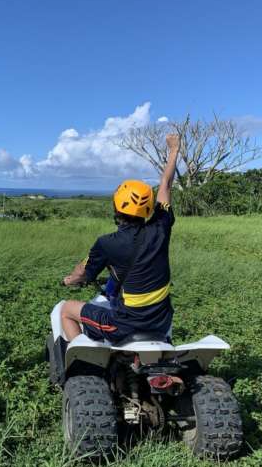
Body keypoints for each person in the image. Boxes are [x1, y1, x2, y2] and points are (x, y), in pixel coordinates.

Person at [60, 133, 181, 343]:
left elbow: (83, 273)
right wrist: (174, 151)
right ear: (148, 207)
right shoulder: (161, 226)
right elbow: (166, 186)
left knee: (65, 309)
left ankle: (84, 363)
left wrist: (68, 280)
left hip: (124, 326)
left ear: (117, 207)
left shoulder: (106, 243)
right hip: (162, 322)